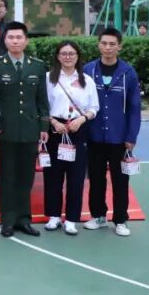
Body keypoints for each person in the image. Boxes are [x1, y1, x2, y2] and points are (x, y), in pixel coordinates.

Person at [0, 21, 49, 237]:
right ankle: (8, 220)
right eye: (11, 37)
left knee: (26, 177)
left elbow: (42, 99)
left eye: (19, 37)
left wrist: (44, 125)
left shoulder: (37, 65)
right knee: (7, 176)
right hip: (5, 129)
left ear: (26, 40)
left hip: (30, 129)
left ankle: (24, 219)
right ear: (5, 40)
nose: (15, 41)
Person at [83, 28, 141, 237]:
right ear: (98, 45)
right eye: (104, 43)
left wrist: (131, 136)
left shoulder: (128, 73)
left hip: (119, 138)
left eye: (112, 44)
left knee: (120, 181)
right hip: (94, 136)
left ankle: (120, 220)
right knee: (96, 179)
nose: (107, 48)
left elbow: (134, 108)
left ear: (119, 46)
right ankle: (98, 216)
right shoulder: (88, 70)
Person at [43, 41, 99, 236]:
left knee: (76, 177)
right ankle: (53, 216)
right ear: (58, 56)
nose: (67, 57)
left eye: (71, 53)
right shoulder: (48, 78)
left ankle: (71, 219)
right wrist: (53, 122)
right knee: (53, 175)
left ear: (77, 56)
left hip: (78, 128)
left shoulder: (87, 80)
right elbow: (42, 105)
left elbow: (94, 107)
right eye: (64, 53)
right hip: (56, 130)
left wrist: (81, 119)